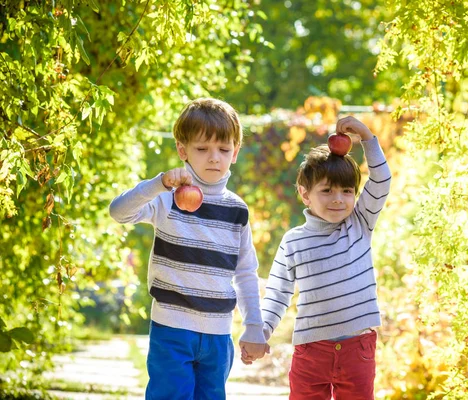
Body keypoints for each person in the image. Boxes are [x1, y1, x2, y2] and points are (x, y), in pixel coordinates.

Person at [109, 98, 268, 400]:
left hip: (219, 334)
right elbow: (119, 212)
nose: (213, 158)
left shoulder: (237, 210)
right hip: (172, 328)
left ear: (235, 152)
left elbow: (246, 272)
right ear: (183, 150)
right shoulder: (167, 199)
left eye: (223, 149)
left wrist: (253, 325)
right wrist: (158, 184)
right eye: (202, 149)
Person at [259, 116, 392, 399]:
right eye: (327, 190)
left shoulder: (360, 224)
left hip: (358, 349)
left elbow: (381, 180)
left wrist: (367, 137)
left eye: (347, 191)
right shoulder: (294, 241)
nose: (338, 199)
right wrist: (261, 331)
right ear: (305, 194)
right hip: (311, 350)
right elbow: (277, 293)